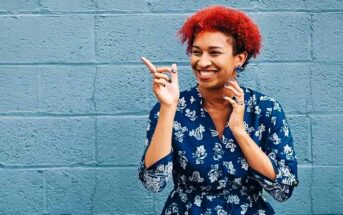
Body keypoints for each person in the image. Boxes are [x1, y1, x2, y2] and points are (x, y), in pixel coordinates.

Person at [138, 5, 298, 215]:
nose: (202, 62)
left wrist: (240, 132)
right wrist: (168, 108)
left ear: (239, 59)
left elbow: (283, 189)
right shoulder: (170, 107)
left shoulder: (265, 110)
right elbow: (153, 183)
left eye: (214, 52)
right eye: (196, 52)